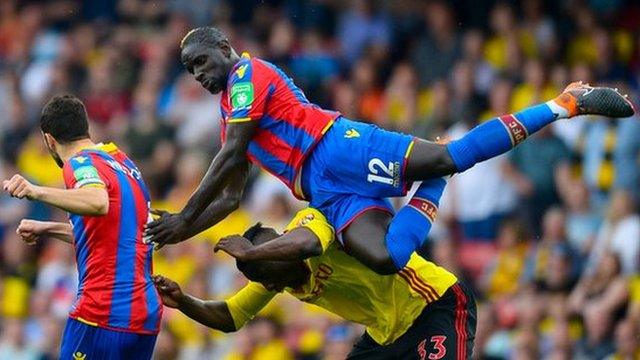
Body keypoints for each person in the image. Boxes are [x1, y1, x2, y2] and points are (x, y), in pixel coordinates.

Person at [145, 26, 634, 275]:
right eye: (189, 70)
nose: (198, 74)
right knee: (385, 259)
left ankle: (564, 103)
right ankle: (433, 186)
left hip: (336, 149)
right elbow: (231, 197)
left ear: (225, 49)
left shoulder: (246, 76)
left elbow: (231, 155)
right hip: (321, 190)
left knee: (450, 155)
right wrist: (183, 231)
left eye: (201, 61)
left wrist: (184, 217)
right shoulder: (228, 109)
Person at [154, 177, 478, 359]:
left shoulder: (308, 225)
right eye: (269, 275)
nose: (275, 277)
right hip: (387, 335)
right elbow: (230, 317)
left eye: (271, 253)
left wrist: (252, 254)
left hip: (434, 303)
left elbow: (307, 244)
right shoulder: (274, 280)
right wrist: (183, 301)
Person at [2, 95, 162, 359]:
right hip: (144, 316)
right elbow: (114, 234)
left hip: (102, 312)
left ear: (49, 140)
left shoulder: (79, 163)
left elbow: (97, 202)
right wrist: (47, 228)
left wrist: (35, 191)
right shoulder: (123, 163)